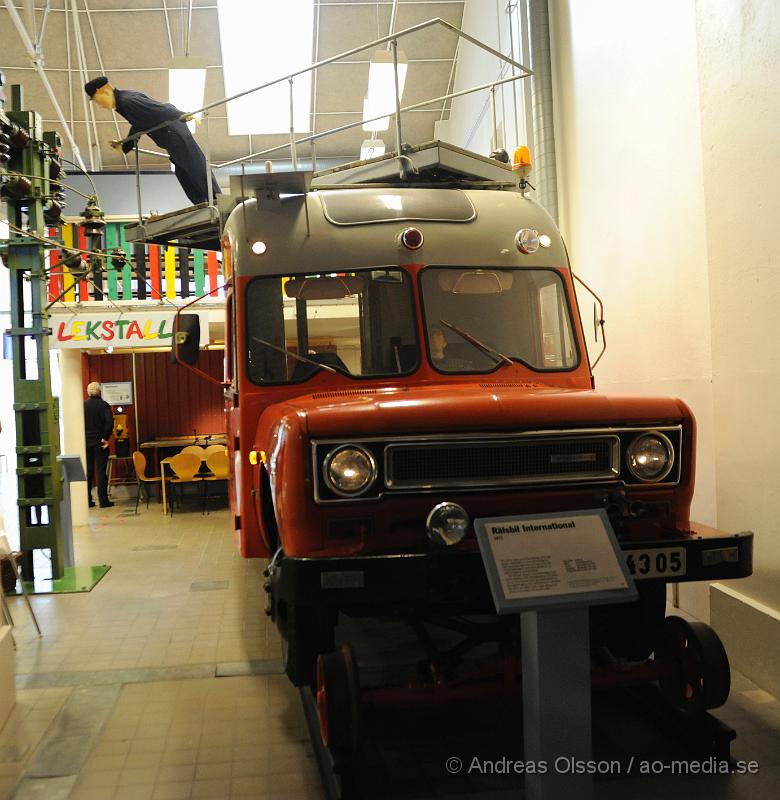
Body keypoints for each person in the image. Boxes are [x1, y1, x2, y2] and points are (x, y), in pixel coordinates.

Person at [84, 76, 221, 206]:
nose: (99, 105)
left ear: (103, 90)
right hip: (171, 135)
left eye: (97, 100)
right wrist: (125, 145)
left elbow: (161, 109)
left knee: (195, 167)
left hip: (174, 133)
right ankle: (203, 203)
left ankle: (216, 200)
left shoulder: (128, 101)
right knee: (184, 172)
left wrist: (182, 115)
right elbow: (139, 125)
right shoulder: (125, 101)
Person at [84, 382, 115, 509]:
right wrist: (105, 437)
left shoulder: (83, 405)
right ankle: (103, 500)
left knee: (88, 471)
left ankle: (87, 500)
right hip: (100, 442)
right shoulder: (104, 405)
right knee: (101, 471)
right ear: (99, 391)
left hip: (86, 442)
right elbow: (109, 422)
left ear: (88, 392)